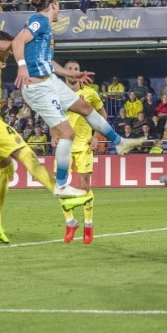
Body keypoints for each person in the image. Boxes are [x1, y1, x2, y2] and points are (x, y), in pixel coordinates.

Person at [0, 31, 93, 245]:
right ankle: (61, 192)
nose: (8, 58)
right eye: (8, 54)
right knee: (28, 155)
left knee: (7, 170)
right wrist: (20, 44)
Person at [11, 0, 143, 195]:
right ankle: (61, 184)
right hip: (38, 88)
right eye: (58, 6)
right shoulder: (40, 20)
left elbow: (48, 62)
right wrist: (21, 66)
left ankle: (120, 143)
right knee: (68, 134)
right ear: (53, 5)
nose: (59, 11)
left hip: (50, 80)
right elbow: (17, 41)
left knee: (85, 107)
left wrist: (71, 73)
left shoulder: (45, 27)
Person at [57, 60, 104, 245]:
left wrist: (97, 136)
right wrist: (53, 133)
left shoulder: (90, 93)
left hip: (84, 145)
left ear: (79, 72)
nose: (73, 71)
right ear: (64, 72)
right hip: (64, 145)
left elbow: (102, 115)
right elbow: (51, 115)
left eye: (76, 69)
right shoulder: (57, 93)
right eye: (69, 68)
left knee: (84, 186)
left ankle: (89, 224)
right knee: (60, 187)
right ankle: (70, 222)